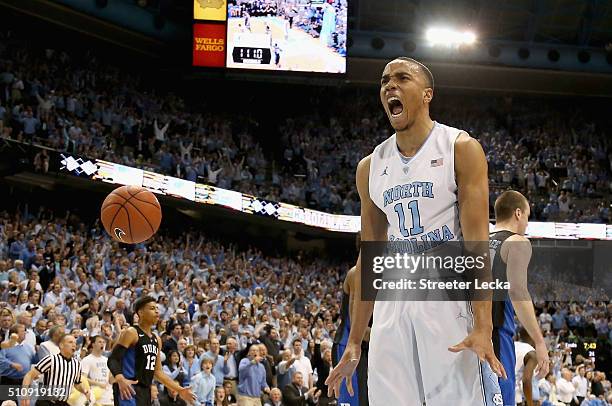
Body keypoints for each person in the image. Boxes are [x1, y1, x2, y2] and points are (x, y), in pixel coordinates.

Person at [326, 57, 505, 406]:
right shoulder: (370, 167)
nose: (390, 86)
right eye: (384, 81)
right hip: (393, 304)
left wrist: (483, 326)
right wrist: (353, 341)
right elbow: (370, 258)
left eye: (401, 78)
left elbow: (478, 247)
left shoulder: (460, 148)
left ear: (427, 94)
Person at [490, 190, 550, 405]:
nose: (526, 223)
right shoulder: (517, 241)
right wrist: (540, 342)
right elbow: (518, 291)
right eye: (527, 216)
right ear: (518, 213)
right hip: (495, 336)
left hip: (467, 334)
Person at [107, 296, 196, 406]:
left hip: (145, 390)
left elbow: (158, 372)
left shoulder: (156, 339)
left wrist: (179, 389)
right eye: (152, 308)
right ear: (141, 312)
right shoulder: (131, 332)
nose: (157, 311)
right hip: (129, 388)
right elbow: (113, 359)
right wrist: (120, 378)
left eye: (157, 308)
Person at [332, 232, 370, 406]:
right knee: (354, 401)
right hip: (349, 346)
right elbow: (358, 327)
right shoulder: (357, 273)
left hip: (367, 347)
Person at [22, 335, 90, 406]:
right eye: (70, 342)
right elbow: (29, 375)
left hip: (62, 403)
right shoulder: (51, 359)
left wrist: (85, 391)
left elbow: (77, 383)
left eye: (75, 343)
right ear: (61, 345)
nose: (74, 345)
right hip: (47, 402)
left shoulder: (76, 364)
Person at [82, 335, 114, 406]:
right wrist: (98, 384)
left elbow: (110, 380)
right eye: (100, 342)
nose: (102, 344)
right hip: (95, 395)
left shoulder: (107, 360)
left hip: (108, 395)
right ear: (93, 344)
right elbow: (83, 379)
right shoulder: (87, 360)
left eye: (103, 342)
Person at [514, 328, 540, 406]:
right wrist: (530, 403)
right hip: (513, 394)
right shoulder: (532, 353)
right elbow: (526, 380)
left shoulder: (510, 344)